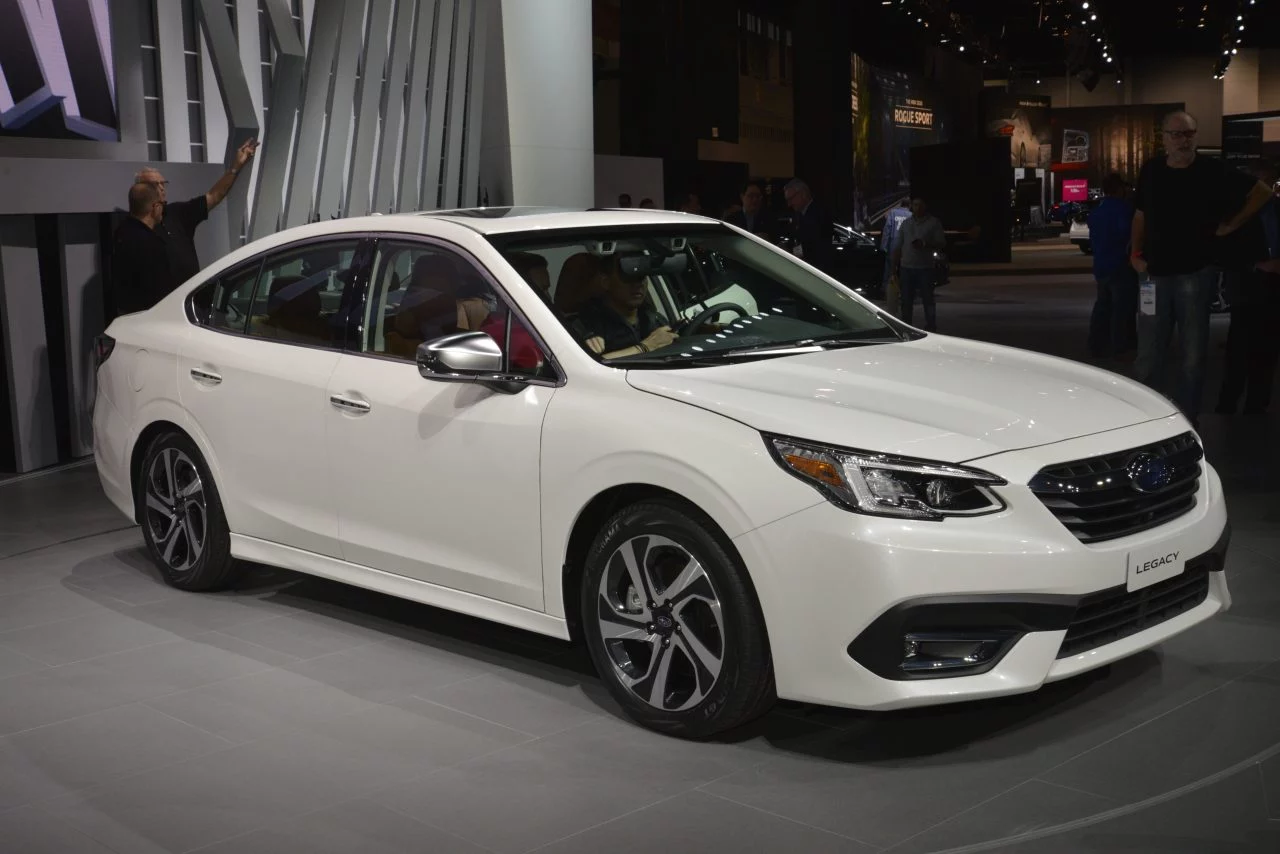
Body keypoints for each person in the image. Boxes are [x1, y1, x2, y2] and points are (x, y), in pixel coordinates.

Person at [1131, 110, 1274, 424]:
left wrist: (1230, 226)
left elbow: (1262, 191)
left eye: (1190, 133)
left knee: (1193, 357)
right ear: (1164, 138)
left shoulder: (1212, 170)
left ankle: (1187, 422)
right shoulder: (1152, 170)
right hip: (1154, 273)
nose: (1184, 140)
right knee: (1148, 355)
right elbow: (1140, 214)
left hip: (1195, 272)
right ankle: (1145, 423)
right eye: (1177, 134)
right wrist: (1134, 254)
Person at [134, 136, 259, 294]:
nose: (160, 188)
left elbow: (214, 195)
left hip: (189, 301)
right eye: (153, 185)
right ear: (139, 191)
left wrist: (235, 167)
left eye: (162, 183)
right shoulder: (132, 230)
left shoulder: (177, 213)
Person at [1215, 162, 1280, 415]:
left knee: (1268, 350)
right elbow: (1224, 252)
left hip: (1273, 289)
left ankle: (1257, 404)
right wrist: (1258, 265)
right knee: (1239, 350)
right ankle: (1228, 403)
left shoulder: (1275, 210)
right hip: (1247, 287)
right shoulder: (1238, 214)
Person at [572, 259, 678, 357]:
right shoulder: (585, 327)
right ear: (606, 282)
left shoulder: (655, 320)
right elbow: (588, 367)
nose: (638, 284)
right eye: (628, 276)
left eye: (642, 276)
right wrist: (645, 347)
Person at [1087, 173, 1139, 359]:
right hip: (1121, 264)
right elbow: (1128, 233)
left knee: (1103, 304)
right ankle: (1120, 344)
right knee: (1122, 307)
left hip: (1102, 264)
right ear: (1119, 189)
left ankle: (1096, 343)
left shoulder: (1098, 211)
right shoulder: (1124, 210)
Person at [109, 182, 172, 314]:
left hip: (126, 315)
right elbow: (160, 291)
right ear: (155, 207)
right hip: (150, 317)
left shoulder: (120, 232)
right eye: (162, 204)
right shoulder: (151, 243)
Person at [891, 197, 947, 331]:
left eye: (920, 205)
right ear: (911, 207)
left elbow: (941, 243)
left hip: (925, 267)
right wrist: (893, 269)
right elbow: (898, 246)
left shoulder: (933, 223)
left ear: (925, 207)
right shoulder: (906, 223)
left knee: (928, 300)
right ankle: (906, 326)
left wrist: (925, 244)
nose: (917, 208)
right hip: (906, 267)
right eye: (915, 205)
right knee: (906, 301)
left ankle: (931, 326)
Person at [783, 178, 835, 275]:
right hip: (803, 268)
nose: (789, 204)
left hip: (818, 271)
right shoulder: (797, 215)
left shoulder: (820, 213)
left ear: (803, 194)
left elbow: (819, 247)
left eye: (791, 199)